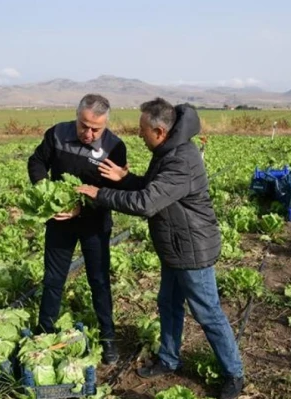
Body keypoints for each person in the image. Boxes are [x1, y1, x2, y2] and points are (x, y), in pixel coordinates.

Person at [76, 98, 244, 398]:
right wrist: (126, 179)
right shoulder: (168, 150)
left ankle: (234, 374)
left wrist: (100, 194)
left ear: (160, 131)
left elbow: (146, 203)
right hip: (174, 246)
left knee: (208, 313)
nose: (139, 134)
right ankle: (168, 358)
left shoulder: (181, 159)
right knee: (168, 304)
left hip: (192, 250)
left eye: (142, 129)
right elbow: (153, 189)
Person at [27, 93, 127, 364]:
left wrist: (82, 207)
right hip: (60, 222)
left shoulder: (115, 147)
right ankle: (44, 332)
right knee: (53, 279)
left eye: (96, 128)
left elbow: (113, 190)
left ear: (106, 124)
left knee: (99, 279)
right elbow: (36, 162)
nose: (89, 132)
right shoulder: (57, 134)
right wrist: (45, 192)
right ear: (77, 116)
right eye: (84, 125)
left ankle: (108, 338)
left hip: (95, 224)